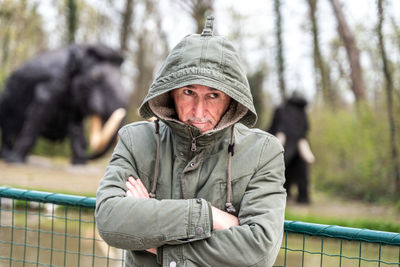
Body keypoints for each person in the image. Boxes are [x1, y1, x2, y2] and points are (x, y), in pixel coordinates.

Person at [95, 16, 286, 267]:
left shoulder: (263, 153)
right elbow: (110, 221)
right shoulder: (135, 140)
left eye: (213, 95)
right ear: (170, 92)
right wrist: (211, 217)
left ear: (231, 99)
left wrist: (153, 236)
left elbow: (259, 251)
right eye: (189, 92)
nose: (198, 110)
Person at [268, 91, 314, 204]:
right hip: (282, 141)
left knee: (300, 168)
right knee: (280, 167)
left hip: (298, 143)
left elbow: (304, 128)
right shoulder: (282, 110)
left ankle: (302, 197)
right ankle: (279, 194)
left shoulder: (299, 111)